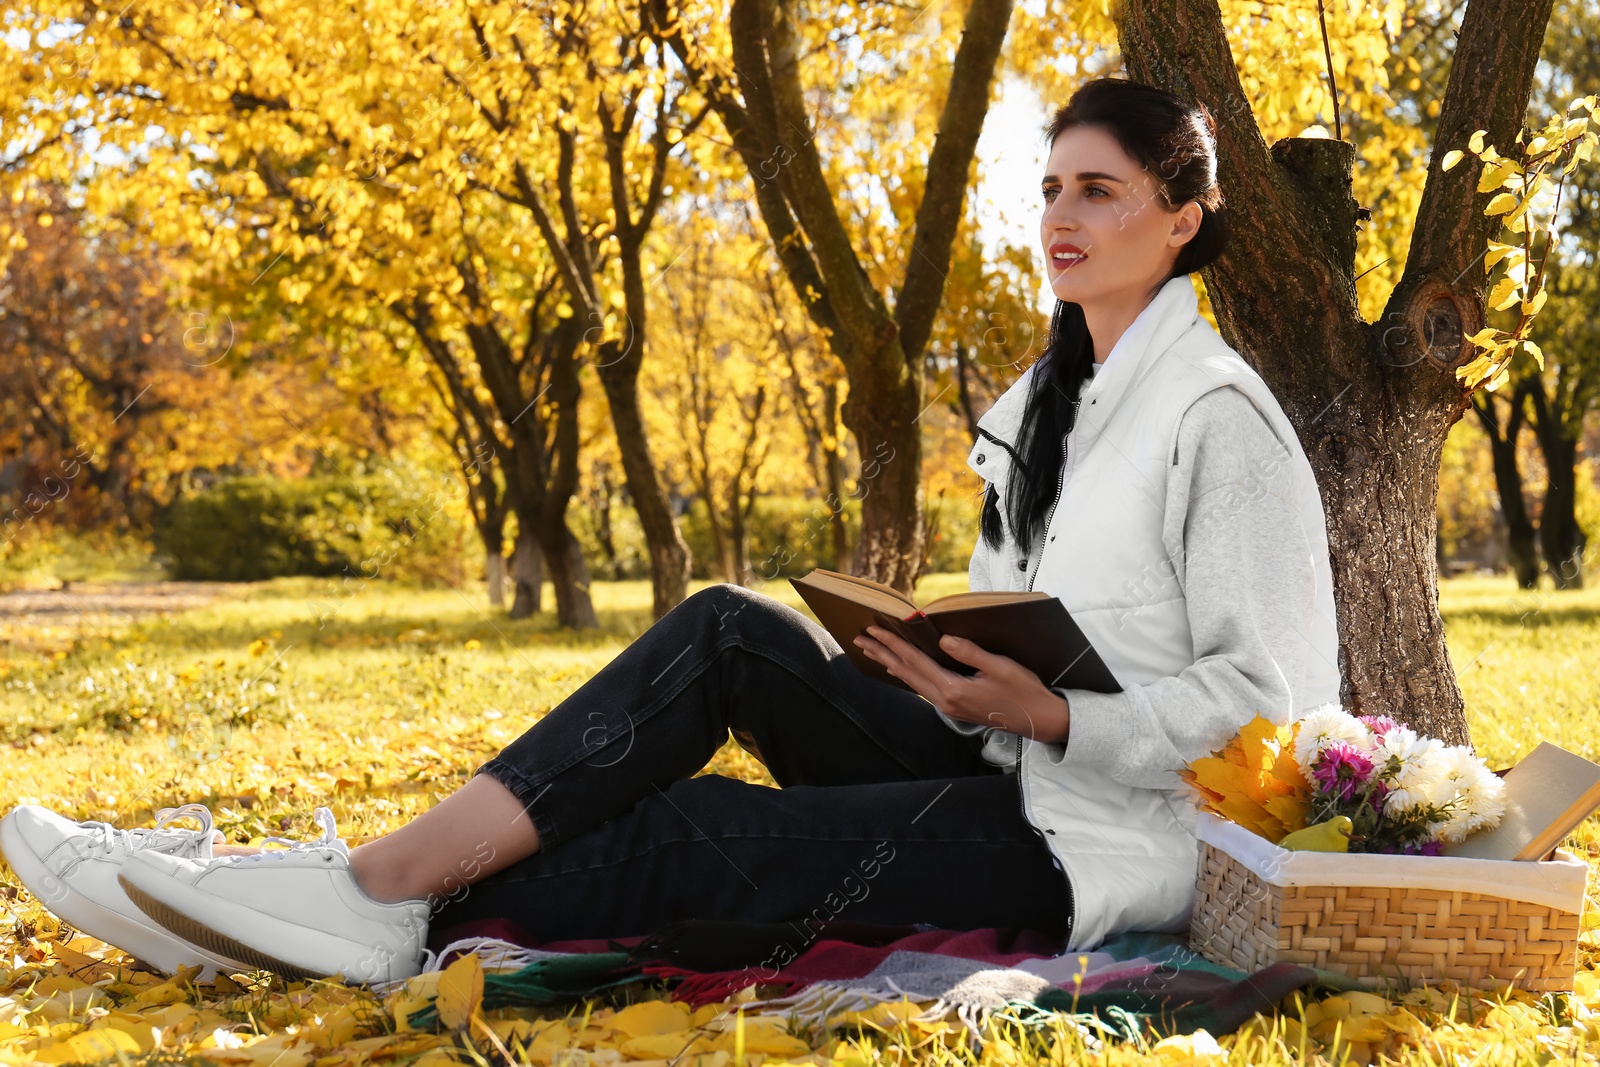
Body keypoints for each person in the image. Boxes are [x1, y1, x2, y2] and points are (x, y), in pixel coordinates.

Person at [0, 76, 1340, 986]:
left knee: (697, 829)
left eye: (1098, 192)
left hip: (1106, 838)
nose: (1059, 216)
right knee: (723, 631)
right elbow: (1026, 638)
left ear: (1184, 217)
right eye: (1051, 187)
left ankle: (337, 902)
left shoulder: (1220, 418)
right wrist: (932, 667)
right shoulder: (1040, 405)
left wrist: (1055, 722)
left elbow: (1267, 703)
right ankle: (359, 888)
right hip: (998, 758)